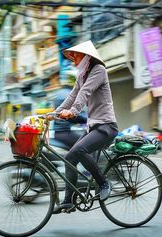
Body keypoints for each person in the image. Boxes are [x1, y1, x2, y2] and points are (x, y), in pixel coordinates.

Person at [50, 40, 118, 214]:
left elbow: (84, 93)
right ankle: (68, 201)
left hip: (106, 126)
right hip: (93, 127)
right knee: (70, 157)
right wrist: (54, 114)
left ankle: (103, 183)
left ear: (87, 57)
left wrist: (73, 111)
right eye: (72, 56)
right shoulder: (82, 75)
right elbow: (72, 95)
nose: (73, 59)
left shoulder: (98, 71)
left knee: (79, 151)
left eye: (76, 55)